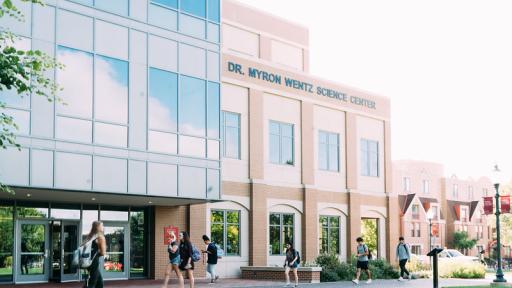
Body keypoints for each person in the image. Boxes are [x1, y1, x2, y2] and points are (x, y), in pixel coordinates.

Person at [84, 221, 106, 288]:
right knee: (92, 283)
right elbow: (102, 252)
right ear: (98, 227)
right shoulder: (100, 237)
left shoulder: (90, 236)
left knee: (100, 283)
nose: (103, 227)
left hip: (88, 261)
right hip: (94, 262)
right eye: (102, 226)